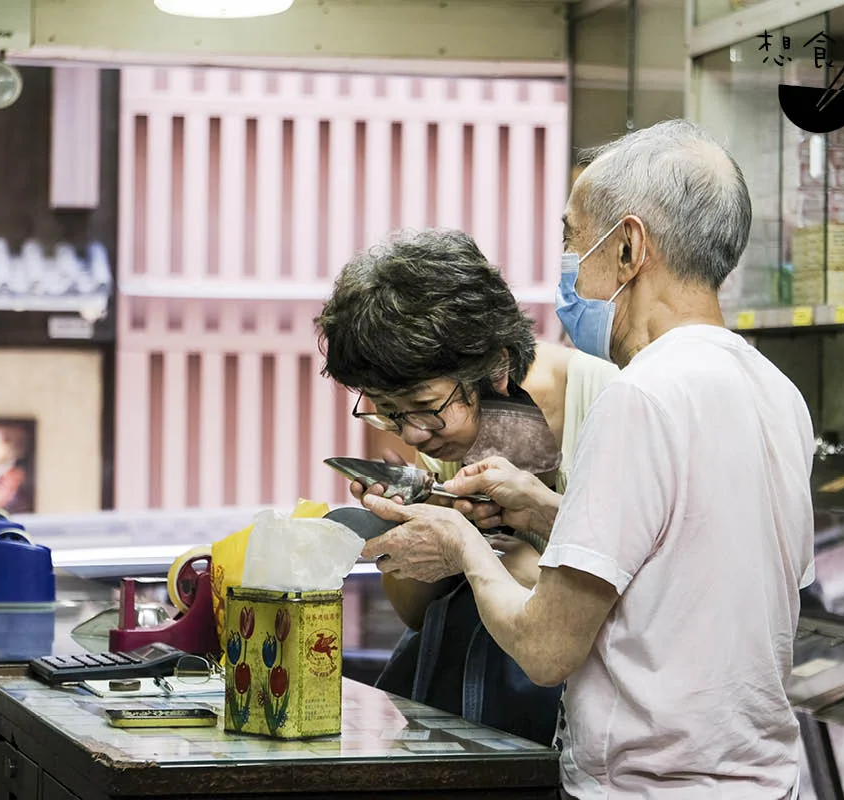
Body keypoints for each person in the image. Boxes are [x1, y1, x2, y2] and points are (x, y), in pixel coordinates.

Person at [358, 119, 815, 799]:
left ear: (629, 246)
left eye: (573, 238)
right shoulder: (777, 393)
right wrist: (545, 509)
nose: (567, 263)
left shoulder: (640, 397)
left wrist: (463, 544)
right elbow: (686, 565)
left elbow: (546, 650)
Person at [314, 226, 618, 743]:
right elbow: (417, 615)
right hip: (496, 739)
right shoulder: (444, 432)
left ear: (496, 366)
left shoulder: (611, 402)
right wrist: (411, 532)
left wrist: (504, 559)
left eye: (423, 407)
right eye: (388, 412)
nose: (413, 432)